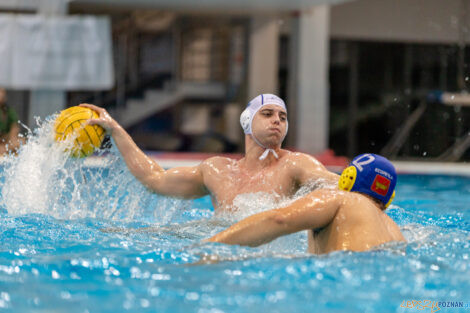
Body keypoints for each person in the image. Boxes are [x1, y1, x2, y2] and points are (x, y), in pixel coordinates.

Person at [80, 94, 339, 212]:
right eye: (268, 113)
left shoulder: (296, 165)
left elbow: (339, 184)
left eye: (282, 117)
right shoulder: (217, 170)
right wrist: (116, 131)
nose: (277, 121)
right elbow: (155, 180)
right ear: (247, 122)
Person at [207, 154, 406, 253]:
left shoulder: (339, 198)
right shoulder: (395, 230)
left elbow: (279, 219)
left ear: (347, 178)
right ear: (390, 198)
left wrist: (207, 247)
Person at [0, 88, 22, 155]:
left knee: (20, 142)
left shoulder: (9, 111)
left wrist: (5, 146)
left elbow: (14, 129)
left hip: (5, 141)